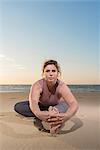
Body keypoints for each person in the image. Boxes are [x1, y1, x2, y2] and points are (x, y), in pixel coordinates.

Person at [14, 59, 78, 134]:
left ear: (58, 73)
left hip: (58, 107)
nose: (51, 74)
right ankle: (49, 114)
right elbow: (34, 102)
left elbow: (74, 103)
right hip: (42, 106)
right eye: (47, 71)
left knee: (66, 105)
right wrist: (38, 113)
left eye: (53, 71)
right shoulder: (38, 85)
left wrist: (67, 116)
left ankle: (53, 115)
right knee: (18, 106)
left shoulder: (62, 86)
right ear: (43, 73)